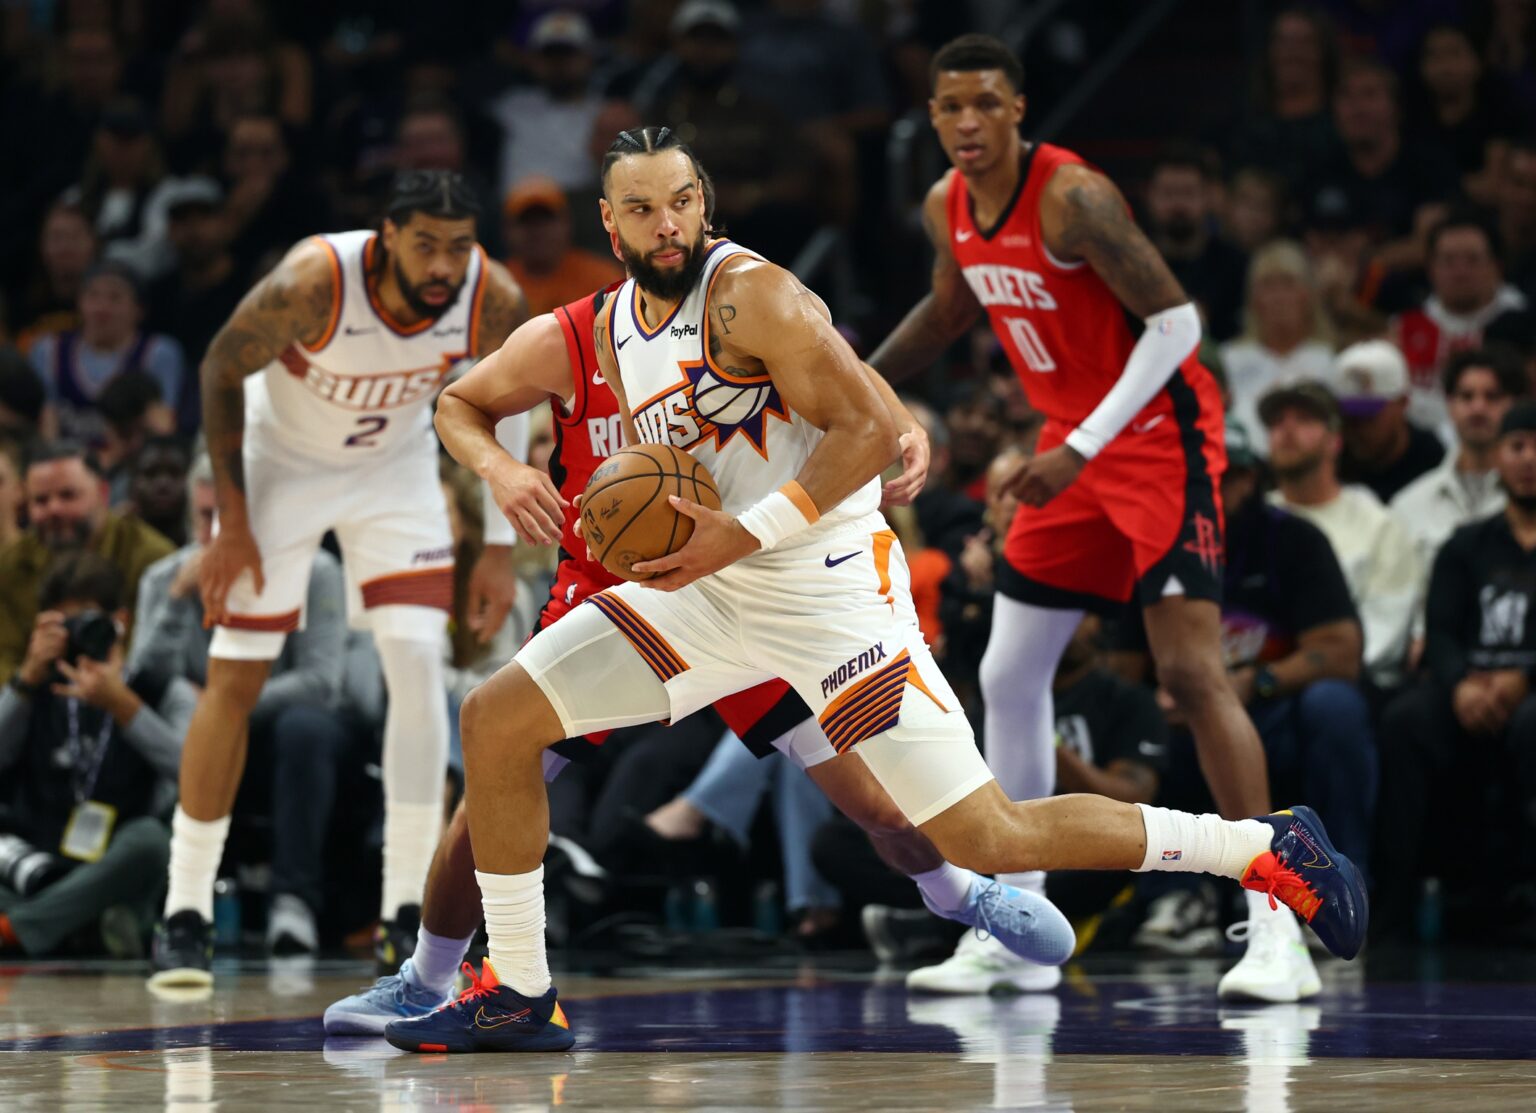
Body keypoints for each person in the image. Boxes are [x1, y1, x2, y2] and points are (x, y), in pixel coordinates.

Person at [382, 128, 1364, 1054]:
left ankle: (1259, 846)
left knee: (986, 831)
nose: (667, 224)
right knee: (498, 717)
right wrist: (517, 477)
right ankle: (519, 987)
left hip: (829, 595)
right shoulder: (605, 328)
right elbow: (467, 403)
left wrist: (753, 524)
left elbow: (863, 432)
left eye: (681, 201)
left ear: (704, 203)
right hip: (707, 593)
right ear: (611, 222)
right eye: (643, 209)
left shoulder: (753, 295)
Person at [325, 251, 1055, 1035]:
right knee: (490, 791)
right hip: (608, 591)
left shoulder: (734, 309)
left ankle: (958, 893)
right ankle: (428, 980)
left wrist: (900, 419)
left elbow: (837, 369)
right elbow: (461, 403)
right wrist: (501, 469)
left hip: (740, 581)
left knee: (878, 802)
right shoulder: (572, 335)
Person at [865, 35, 1308, 1000]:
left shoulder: (1074, 197)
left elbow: (1178, 325)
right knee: (1008, 673)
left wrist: (1083, 445)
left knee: (1191, 674)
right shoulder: (947, 206)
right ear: (932, 116)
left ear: (1019, 109)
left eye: (987, 104)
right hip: (1071, 440)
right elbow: (947, 312)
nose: (969, 122)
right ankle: (1019, 926)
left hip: (1157, 439)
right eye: (951, 107)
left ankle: (1281, 921)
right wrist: (851, 380)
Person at [146, 170, 529, 988]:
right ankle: (185, 908)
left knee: (416, 664)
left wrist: (498, 544)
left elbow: (517, 389)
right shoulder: (314, 280)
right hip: (280, 467)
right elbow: (219, 369)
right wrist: (232, 523)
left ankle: (404, 909)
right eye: (425, 245)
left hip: (393, 470)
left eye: (458, 247)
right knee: (235, 673)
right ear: (387, 237)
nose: (444, 265)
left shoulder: (490, 293)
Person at [1375, 400, 1536, 940]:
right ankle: (1392, 909)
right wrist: (1461, 683)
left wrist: (1524, 678)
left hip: (1529, 693)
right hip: (1471, 684)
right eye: (1517, 446)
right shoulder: (1466, 544)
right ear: (1499, 459)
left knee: (1532, 725)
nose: (1528, 459)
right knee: (1404, 722)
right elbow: (1440, 630)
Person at [0, 555, 185, 957]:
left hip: (116, 862)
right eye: (64, 626)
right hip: (37, 863)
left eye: (87, 621)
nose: (77, 637)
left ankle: (19, 928)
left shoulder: (159, 689)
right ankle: (82, 926)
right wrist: (25, 679)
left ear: (120, 621)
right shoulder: (35, 686)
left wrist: (124, 707)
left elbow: (193, 776)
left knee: (152, 841)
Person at [1261, 381, 1420, 692]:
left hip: (1345, 683)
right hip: (1257, 679)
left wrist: (1298, 672)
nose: (1287, 430)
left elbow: (1384, 632)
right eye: (1277, 422)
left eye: (1304, 419)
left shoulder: (1378, 524)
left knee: (1327, 702)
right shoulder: (1255, 519)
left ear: (1335, 441)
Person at [0, 441, 174, 685]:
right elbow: (4, 661)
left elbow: (157, 661)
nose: (54, 509)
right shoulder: (11, 565)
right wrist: (30, 671)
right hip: (37, 699)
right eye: (40, 500)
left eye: (68, 495)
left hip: (129, 694)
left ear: (103, 492)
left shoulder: (152, 559)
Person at [1392, 347, 1521, 602]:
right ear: (1450, 405)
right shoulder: (1408, 505)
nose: (1478, 408)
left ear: (1515, 405)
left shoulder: (1528, 501)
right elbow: (1398, 597)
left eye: (1492, 396)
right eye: (1466, 396)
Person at [1391, 213, 1532, 436]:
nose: (1460, 271)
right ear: (1430, 268)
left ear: (1496, 265)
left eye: (1472, 260)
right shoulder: (1403, 328)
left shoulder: (1527, 325)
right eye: (1448, 261)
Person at [28, 261, 186, 447]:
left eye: (115, 298)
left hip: (133, 458)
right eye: (93, 296)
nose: (101, 308)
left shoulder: (158, 352)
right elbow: (46, 425)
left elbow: (163, 424)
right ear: (79, 302)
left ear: (139, 309)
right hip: (67, 460)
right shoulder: (49, 350)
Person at [144, 177, 246, 433]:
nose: (193, 230)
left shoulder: (249, 289)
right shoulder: (158, 293)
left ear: (224, 223)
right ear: (169, 229)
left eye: (204, 217)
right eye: (182, 221)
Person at [1220, 240, 1336, 446]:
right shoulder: (1229, 360)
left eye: (1288, 283)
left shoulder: (1330, 360)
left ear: (1307, 294)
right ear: (1254, 298)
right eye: (1268, 285)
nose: (1278, 297)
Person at [1142, 145, 1249, 342]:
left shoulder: (1237, 267)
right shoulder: (1133, 264)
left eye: (1188, 193)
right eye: (1168, 193)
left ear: (1208, 197)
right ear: (1150, 196)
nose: (1178, 205)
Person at [1332, 339, 1445, 502]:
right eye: (1349, 416)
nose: (1357, 427)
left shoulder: (1432, 462)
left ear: (1403, 403)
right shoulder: (1331, 460)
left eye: (1368, 415)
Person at [501, 177, 622, 317]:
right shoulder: (498, 285)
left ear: (566, 223)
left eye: (545, 220)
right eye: (527, 222)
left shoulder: (601, 278)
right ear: (507, 230)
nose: (537, 232)